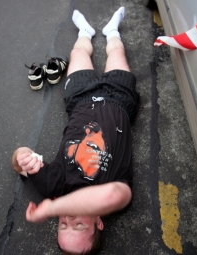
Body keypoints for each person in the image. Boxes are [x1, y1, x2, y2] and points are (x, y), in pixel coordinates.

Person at [12, 7, 139, 255]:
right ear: (99, 223)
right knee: (117, 51)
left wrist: (23, 156)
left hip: (80, 99)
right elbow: (113, 195)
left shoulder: (54, 188)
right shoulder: (115, 196)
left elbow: (18, 161)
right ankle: (112, 31)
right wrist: (49, 210)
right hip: (120, 100)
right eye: (78, 225)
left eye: (62, 224)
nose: (68, 217)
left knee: (79, 51)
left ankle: (86, 31)